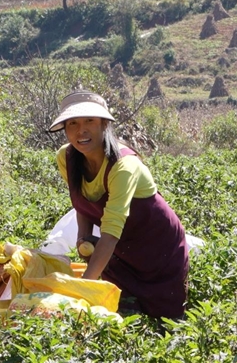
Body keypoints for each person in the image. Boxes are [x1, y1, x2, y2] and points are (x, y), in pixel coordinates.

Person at [48, 90, 189, 319]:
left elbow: (111, 231)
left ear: (104, 124)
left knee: (166, 322)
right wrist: (83, 238)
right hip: (121, 251)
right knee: (120, 315)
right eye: (72, 123)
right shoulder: (67, 158)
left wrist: (83, 290)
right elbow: (81, 201)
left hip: (159, 251)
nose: (80, 130)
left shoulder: (123, 165)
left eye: (89, 121)